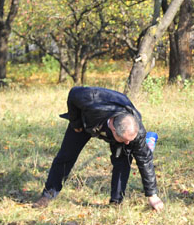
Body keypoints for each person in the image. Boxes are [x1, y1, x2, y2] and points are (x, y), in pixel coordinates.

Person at [33, 86, 164, 211]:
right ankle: (48, 194)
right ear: (113, 128)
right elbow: (73, 93)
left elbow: (145, 161)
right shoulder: (91, 101)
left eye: (130, 139)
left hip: (114, 125)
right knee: (66, 156)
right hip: (85, 122)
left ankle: (116, 202)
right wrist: (76, 122)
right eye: (125, 139)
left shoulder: (135, 132)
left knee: (123, 160)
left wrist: (152, 195)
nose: (128, 142)